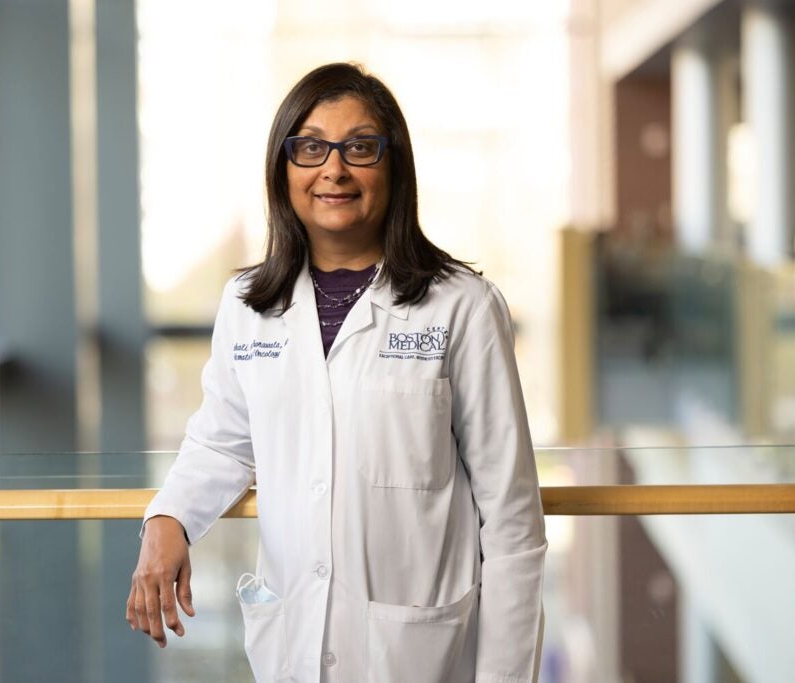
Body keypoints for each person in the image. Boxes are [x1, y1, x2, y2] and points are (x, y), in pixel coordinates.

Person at [127, 62, 547, 683]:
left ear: (393, 165)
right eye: (311, 146)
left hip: (418, 655)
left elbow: (511, 519)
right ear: (284, 168)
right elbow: (221, 441)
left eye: (360, 146)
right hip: (293, 645)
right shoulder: (247, 304)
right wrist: (168, 520)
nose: (334, 168)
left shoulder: (463, 306)